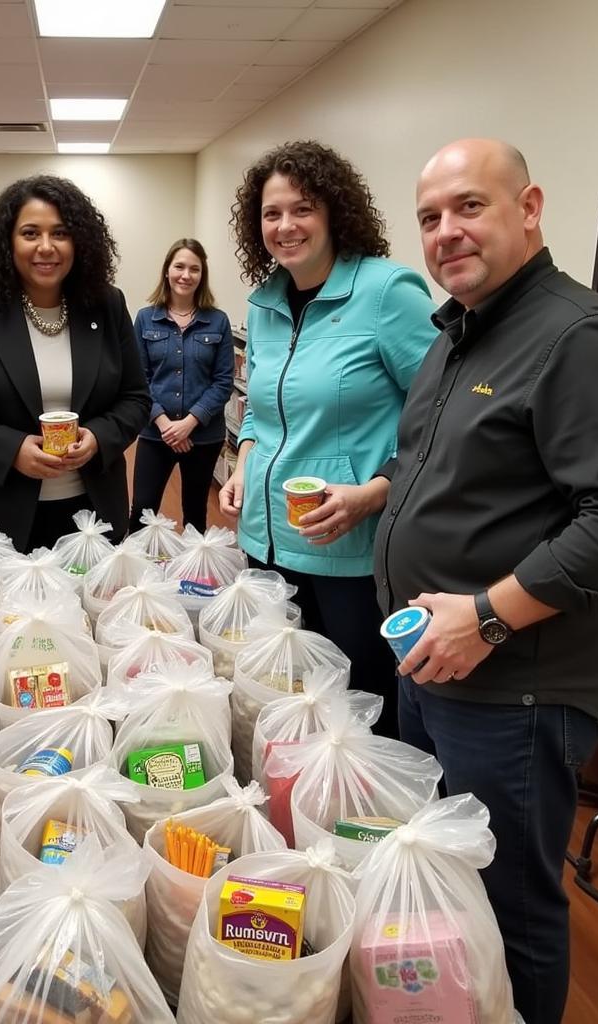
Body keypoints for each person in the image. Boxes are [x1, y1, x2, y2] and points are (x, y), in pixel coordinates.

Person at [376, 138, 598, 1024]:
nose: (447, 232)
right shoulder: (459, 331)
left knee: (510, 903)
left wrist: (486, 618)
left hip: (514, 681)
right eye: (430, 218)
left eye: (470, 207)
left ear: (529, 207)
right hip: (435, 659)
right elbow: (446, 473)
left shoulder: (578, 336)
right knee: (454, 886)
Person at [219, 140, 437, 737]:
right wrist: (242, 460)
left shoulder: (387, 292)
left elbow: (441, 419)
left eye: (303, 208)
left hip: (350, 549)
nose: (286, 226)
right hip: (267, 538)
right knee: (292, 693)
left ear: (335, 212)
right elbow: (263, 414)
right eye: (272, 213)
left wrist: (376, 491)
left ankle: (370, 820)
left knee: (359, 705)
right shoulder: (264, 303)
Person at [0, 174, 150, 556]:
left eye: (61, 233)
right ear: (8, 240)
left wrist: (99, 438)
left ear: (79, 241)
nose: (46, 247)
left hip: (88, 517)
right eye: (31, 233)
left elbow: (135, 398)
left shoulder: (107, 303)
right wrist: (11, 449)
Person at [129, 239, 234, 534]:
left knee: (195, 514)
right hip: (154, 433)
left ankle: (190, 578)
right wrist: (165, 425)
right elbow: (138, 379)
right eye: (179, 266)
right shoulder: (146, 318)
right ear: (167, 271)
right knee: (141, 509)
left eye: (194, 269)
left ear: (202, 275)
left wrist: (189, 423)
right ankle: (140, 578)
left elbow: (224, 381)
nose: (186, 275)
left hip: (203, 437)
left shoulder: (218, 321)